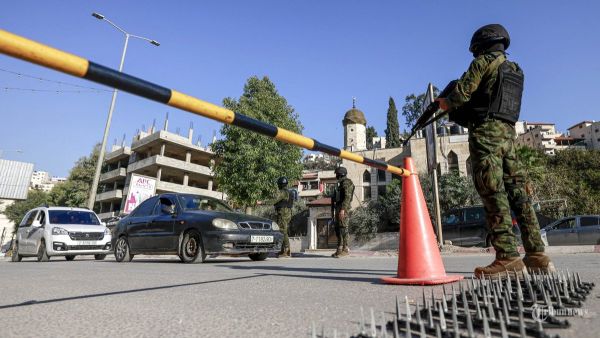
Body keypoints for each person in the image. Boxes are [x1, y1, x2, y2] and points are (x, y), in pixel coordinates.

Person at [435, 24, 554, 278]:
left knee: (492, 192)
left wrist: (445, 103)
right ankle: (537, 255)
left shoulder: (483, 63)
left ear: (480, 46)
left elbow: (462, 94)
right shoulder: (514, 69)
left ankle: (508, 257)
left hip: (486, 136)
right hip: (508, 136)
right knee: (518, 194)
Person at [331, 166, 354, 258]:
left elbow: (347, 197)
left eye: (336, 174)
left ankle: (345, 248)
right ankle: (339, 249)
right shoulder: (340, 183)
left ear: (340, 174)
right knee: (338, 229)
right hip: (338, 207)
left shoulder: (346, 182)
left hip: (343, 208)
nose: (336, 175)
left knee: (343, 228)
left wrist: (343, 210)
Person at [270, 177, 293, 258]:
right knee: (283, 230)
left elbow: (274, 200)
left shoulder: (282, 192)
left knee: (283, 231)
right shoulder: (290, 192)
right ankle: (283, 250)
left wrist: (261, 202)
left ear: (279, 184)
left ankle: (287, 250)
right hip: (288, 213)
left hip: (282, 213)